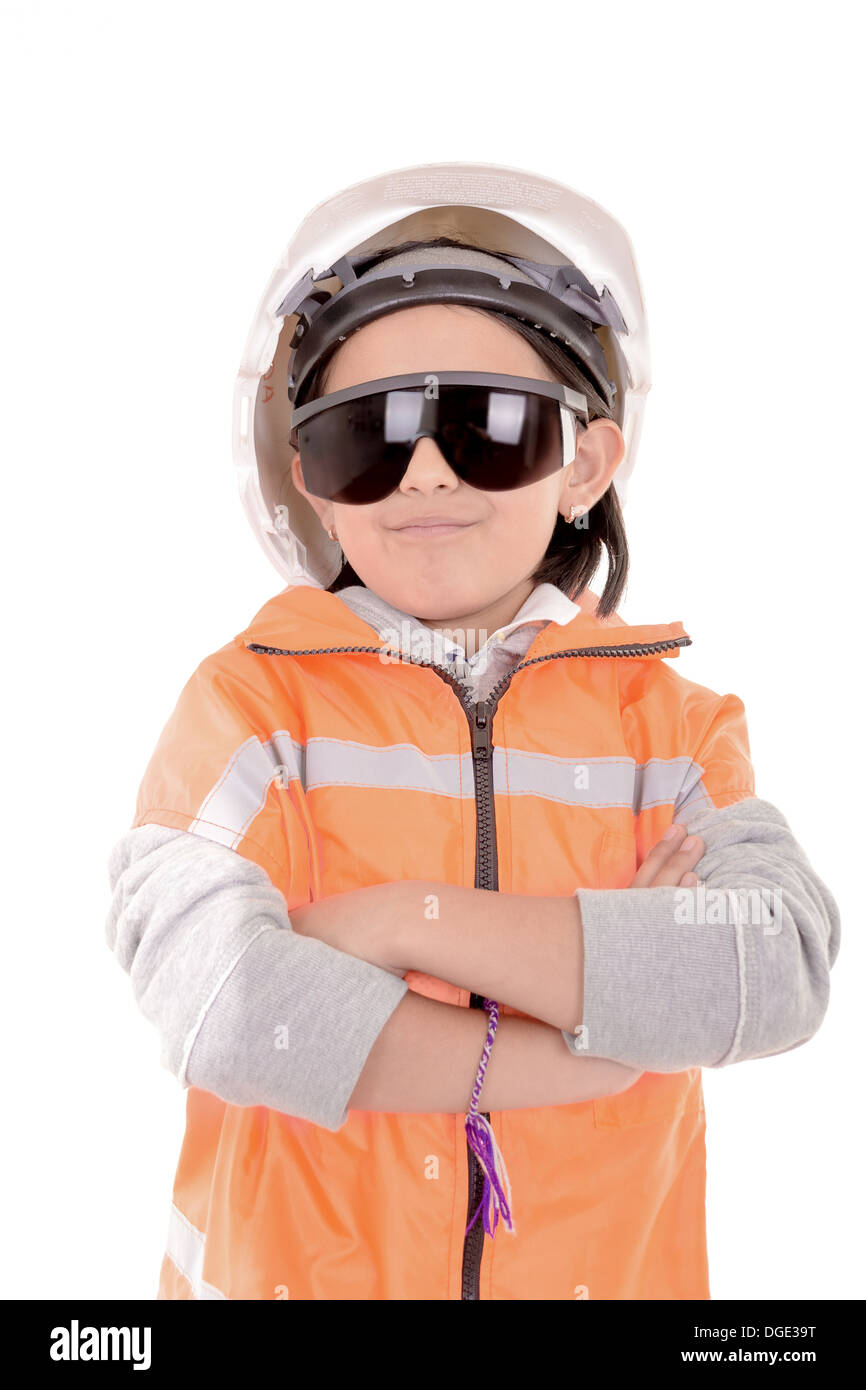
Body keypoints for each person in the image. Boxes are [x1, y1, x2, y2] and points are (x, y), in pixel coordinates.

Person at [105, 162, 840, 1300]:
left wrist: (400, 921)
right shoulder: (249, 706)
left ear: (584, 463)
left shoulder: (675, 731)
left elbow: (771, 969)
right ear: (311, 479)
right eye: (369, 436)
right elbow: (227, 1004)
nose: (427, 470)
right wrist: (573, 1044)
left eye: (484, 427)